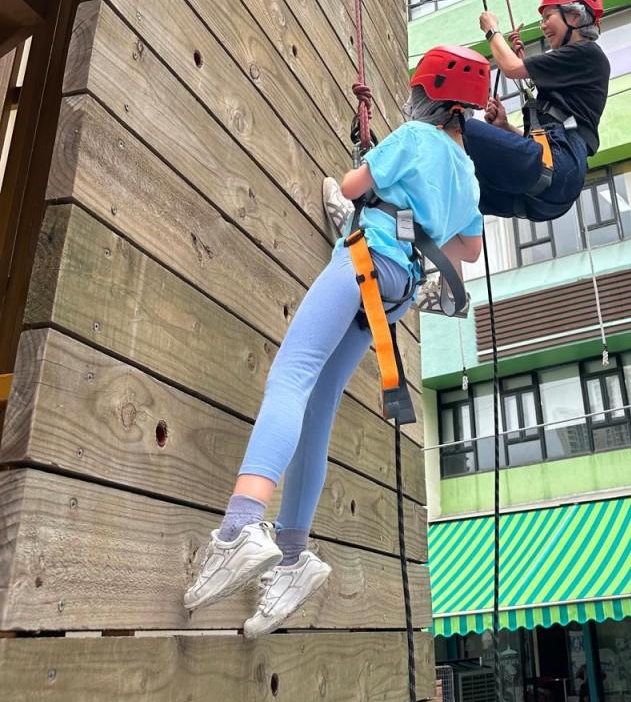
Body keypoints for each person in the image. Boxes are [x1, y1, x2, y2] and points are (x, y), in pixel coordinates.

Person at [183, 45, 487, 636]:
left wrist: (375, 168)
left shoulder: (413, 138)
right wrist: (422, 218)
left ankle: (241, 525)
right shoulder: (469, 178)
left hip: (363, 261)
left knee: (291, 377)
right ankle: (293, 556)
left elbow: (349, 186)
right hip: (396, 292)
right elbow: (468, 250)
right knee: (318, 407)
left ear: (429, 96)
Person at [468, 0, 610, 221]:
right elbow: (545, 146)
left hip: (560, 165)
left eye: (548, 17)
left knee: (466, 128)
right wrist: (505, 127)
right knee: (461, 189)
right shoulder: (575, 65)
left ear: (574, 16)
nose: (543, 26)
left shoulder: (586, 52)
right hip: (553, 188)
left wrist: (492, 31)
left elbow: (511, 67)